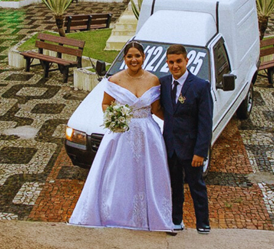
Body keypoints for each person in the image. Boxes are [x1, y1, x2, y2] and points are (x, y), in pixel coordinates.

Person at [69, 41, 174, 231]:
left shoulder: (153, 80)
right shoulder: (114, 80)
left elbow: (156, 109)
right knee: (119, 175)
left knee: (148, 174)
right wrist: (115, 118)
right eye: (130, 56)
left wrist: (178, 123)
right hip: (121, 135)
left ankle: (152, 216)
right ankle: (116, 214)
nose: (134, 60)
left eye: (137, 56)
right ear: (124, 59)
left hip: (148, 135)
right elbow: (105, 105)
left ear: (143, 57)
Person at [159, 44, 213, 234]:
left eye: (179, 61)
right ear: (167, 63)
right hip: (171, 147)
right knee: (174, 186)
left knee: (196, 186)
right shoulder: (164, 84)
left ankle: (203, 222)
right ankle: (176, 220)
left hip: (191, 149)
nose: (175, 66)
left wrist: (200, 152)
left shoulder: (200, 85)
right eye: (171, 62)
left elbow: (205, 123)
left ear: (186, 61)